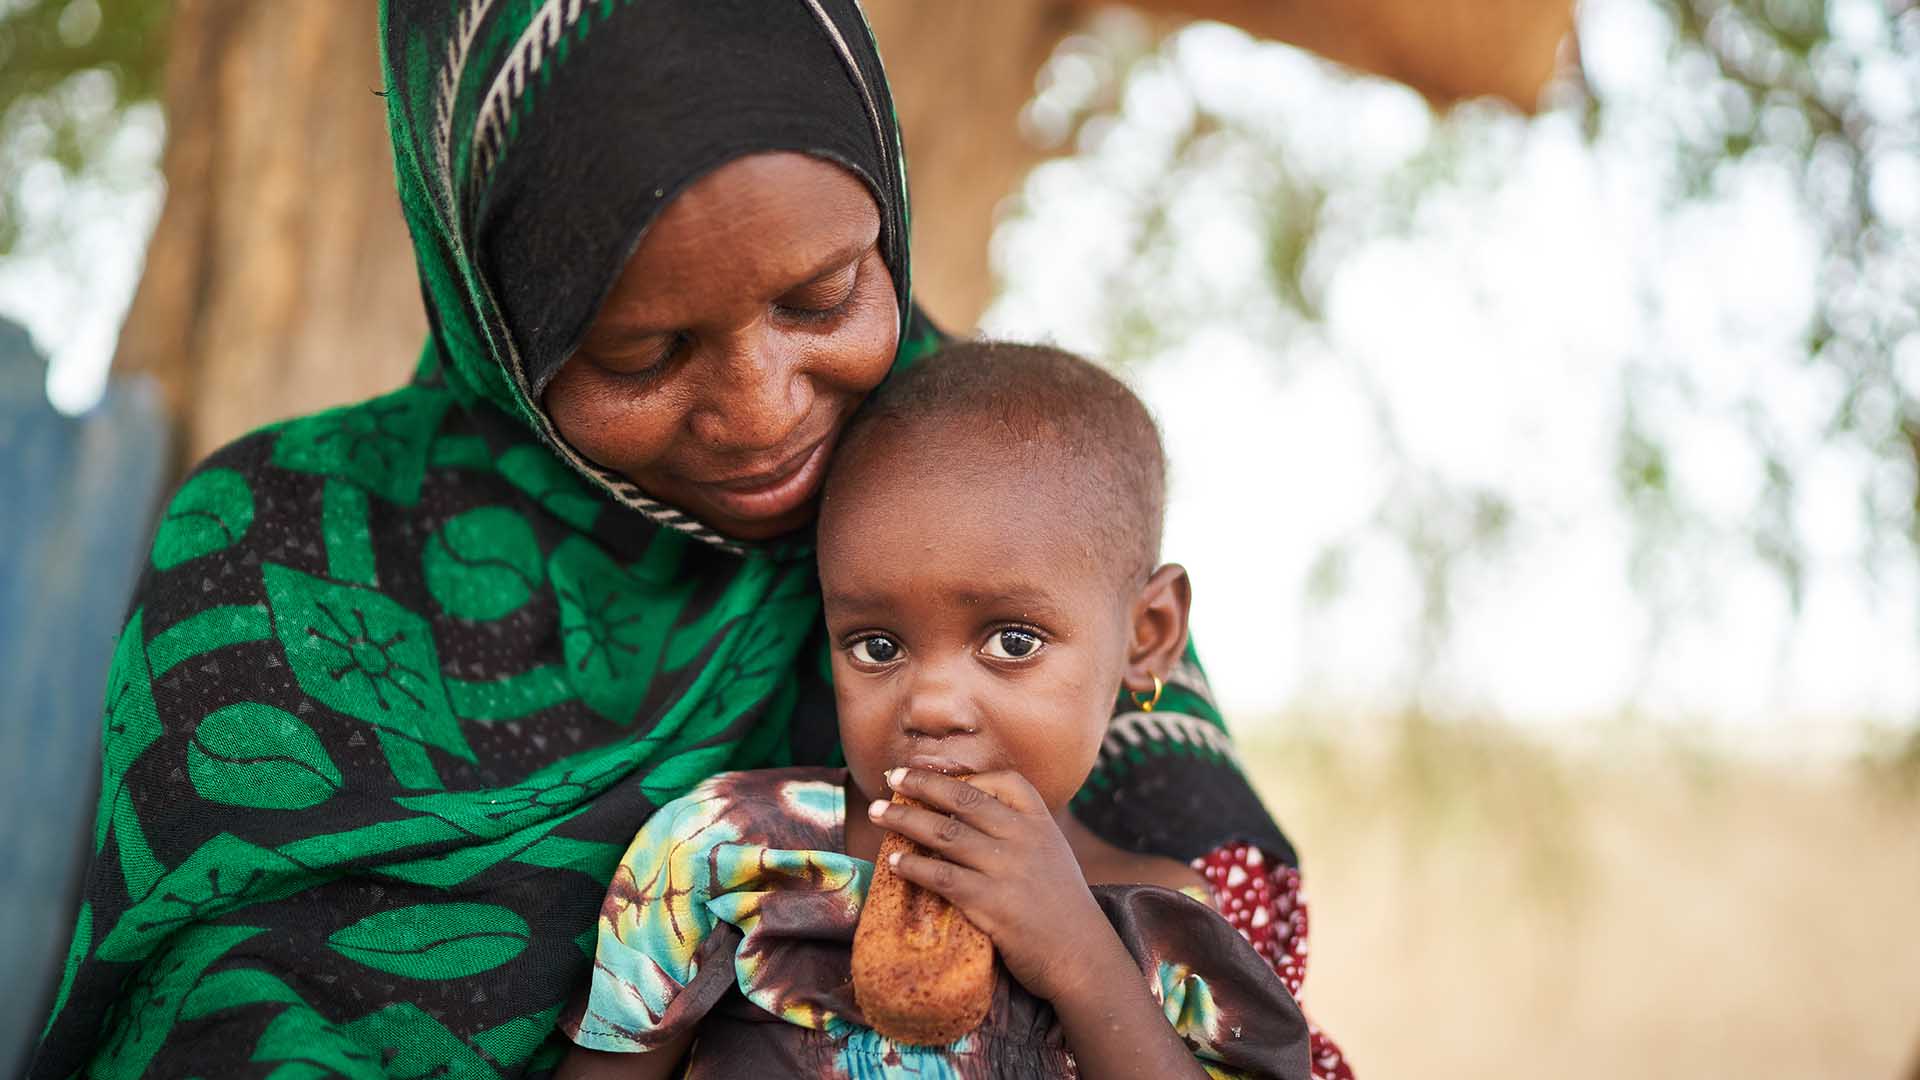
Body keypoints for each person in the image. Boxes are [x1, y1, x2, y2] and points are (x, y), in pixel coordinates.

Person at [30, 4, 1350, 1078]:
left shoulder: (1001, 500)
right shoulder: (280, 552)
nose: (765, 413)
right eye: (642, 351)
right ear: (506, 329)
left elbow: (1240, 983)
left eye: (820, 296)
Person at [555, 342, 1312, 1079]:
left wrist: (1082, 959)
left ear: (1147, 637)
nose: (934, 706)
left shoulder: (1175, 924)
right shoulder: (727, 853)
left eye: (1013, 640)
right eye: (876, 646)